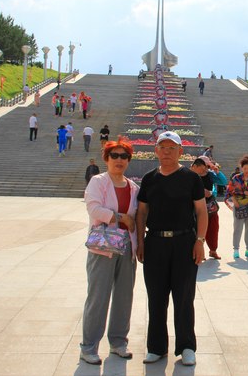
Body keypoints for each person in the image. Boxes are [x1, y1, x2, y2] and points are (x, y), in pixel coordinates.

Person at [135, 131, 207, 367]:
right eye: (162, 147)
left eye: (172, 148)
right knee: (156, 297)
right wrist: (141, 242)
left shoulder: (191, 178)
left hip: (184, 242)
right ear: (156, 150)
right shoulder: (149, 179)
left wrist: (200, 241)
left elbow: (201, 211)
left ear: (180, 151)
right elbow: (142, 212)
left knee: (184, 297)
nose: (166, 152)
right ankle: (156, 347)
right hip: (155, 242)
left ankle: (186, 347)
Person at [79, 139, 139, 365]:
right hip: (103, 247)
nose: (119, 160)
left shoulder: (133, 187)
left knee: (124, 296)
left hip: (126, 247)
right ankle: (89, 346)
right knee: (98, 296)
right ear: (106, 158)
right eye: (114, 155)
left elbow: (137, 218)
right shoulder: (98, 181)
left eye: (124, 156)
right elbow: (93, 208)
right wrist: (121, 217)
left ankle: (118, 342)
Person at [225, 155, 248, 259]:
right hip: (238, 204)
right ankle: (236, 250)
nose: (246, 171)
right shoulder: (236, 178)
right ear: (241, 168)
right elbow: (229, 191)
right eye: (245, 168)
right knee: (237, 228)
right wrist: (234, 201)